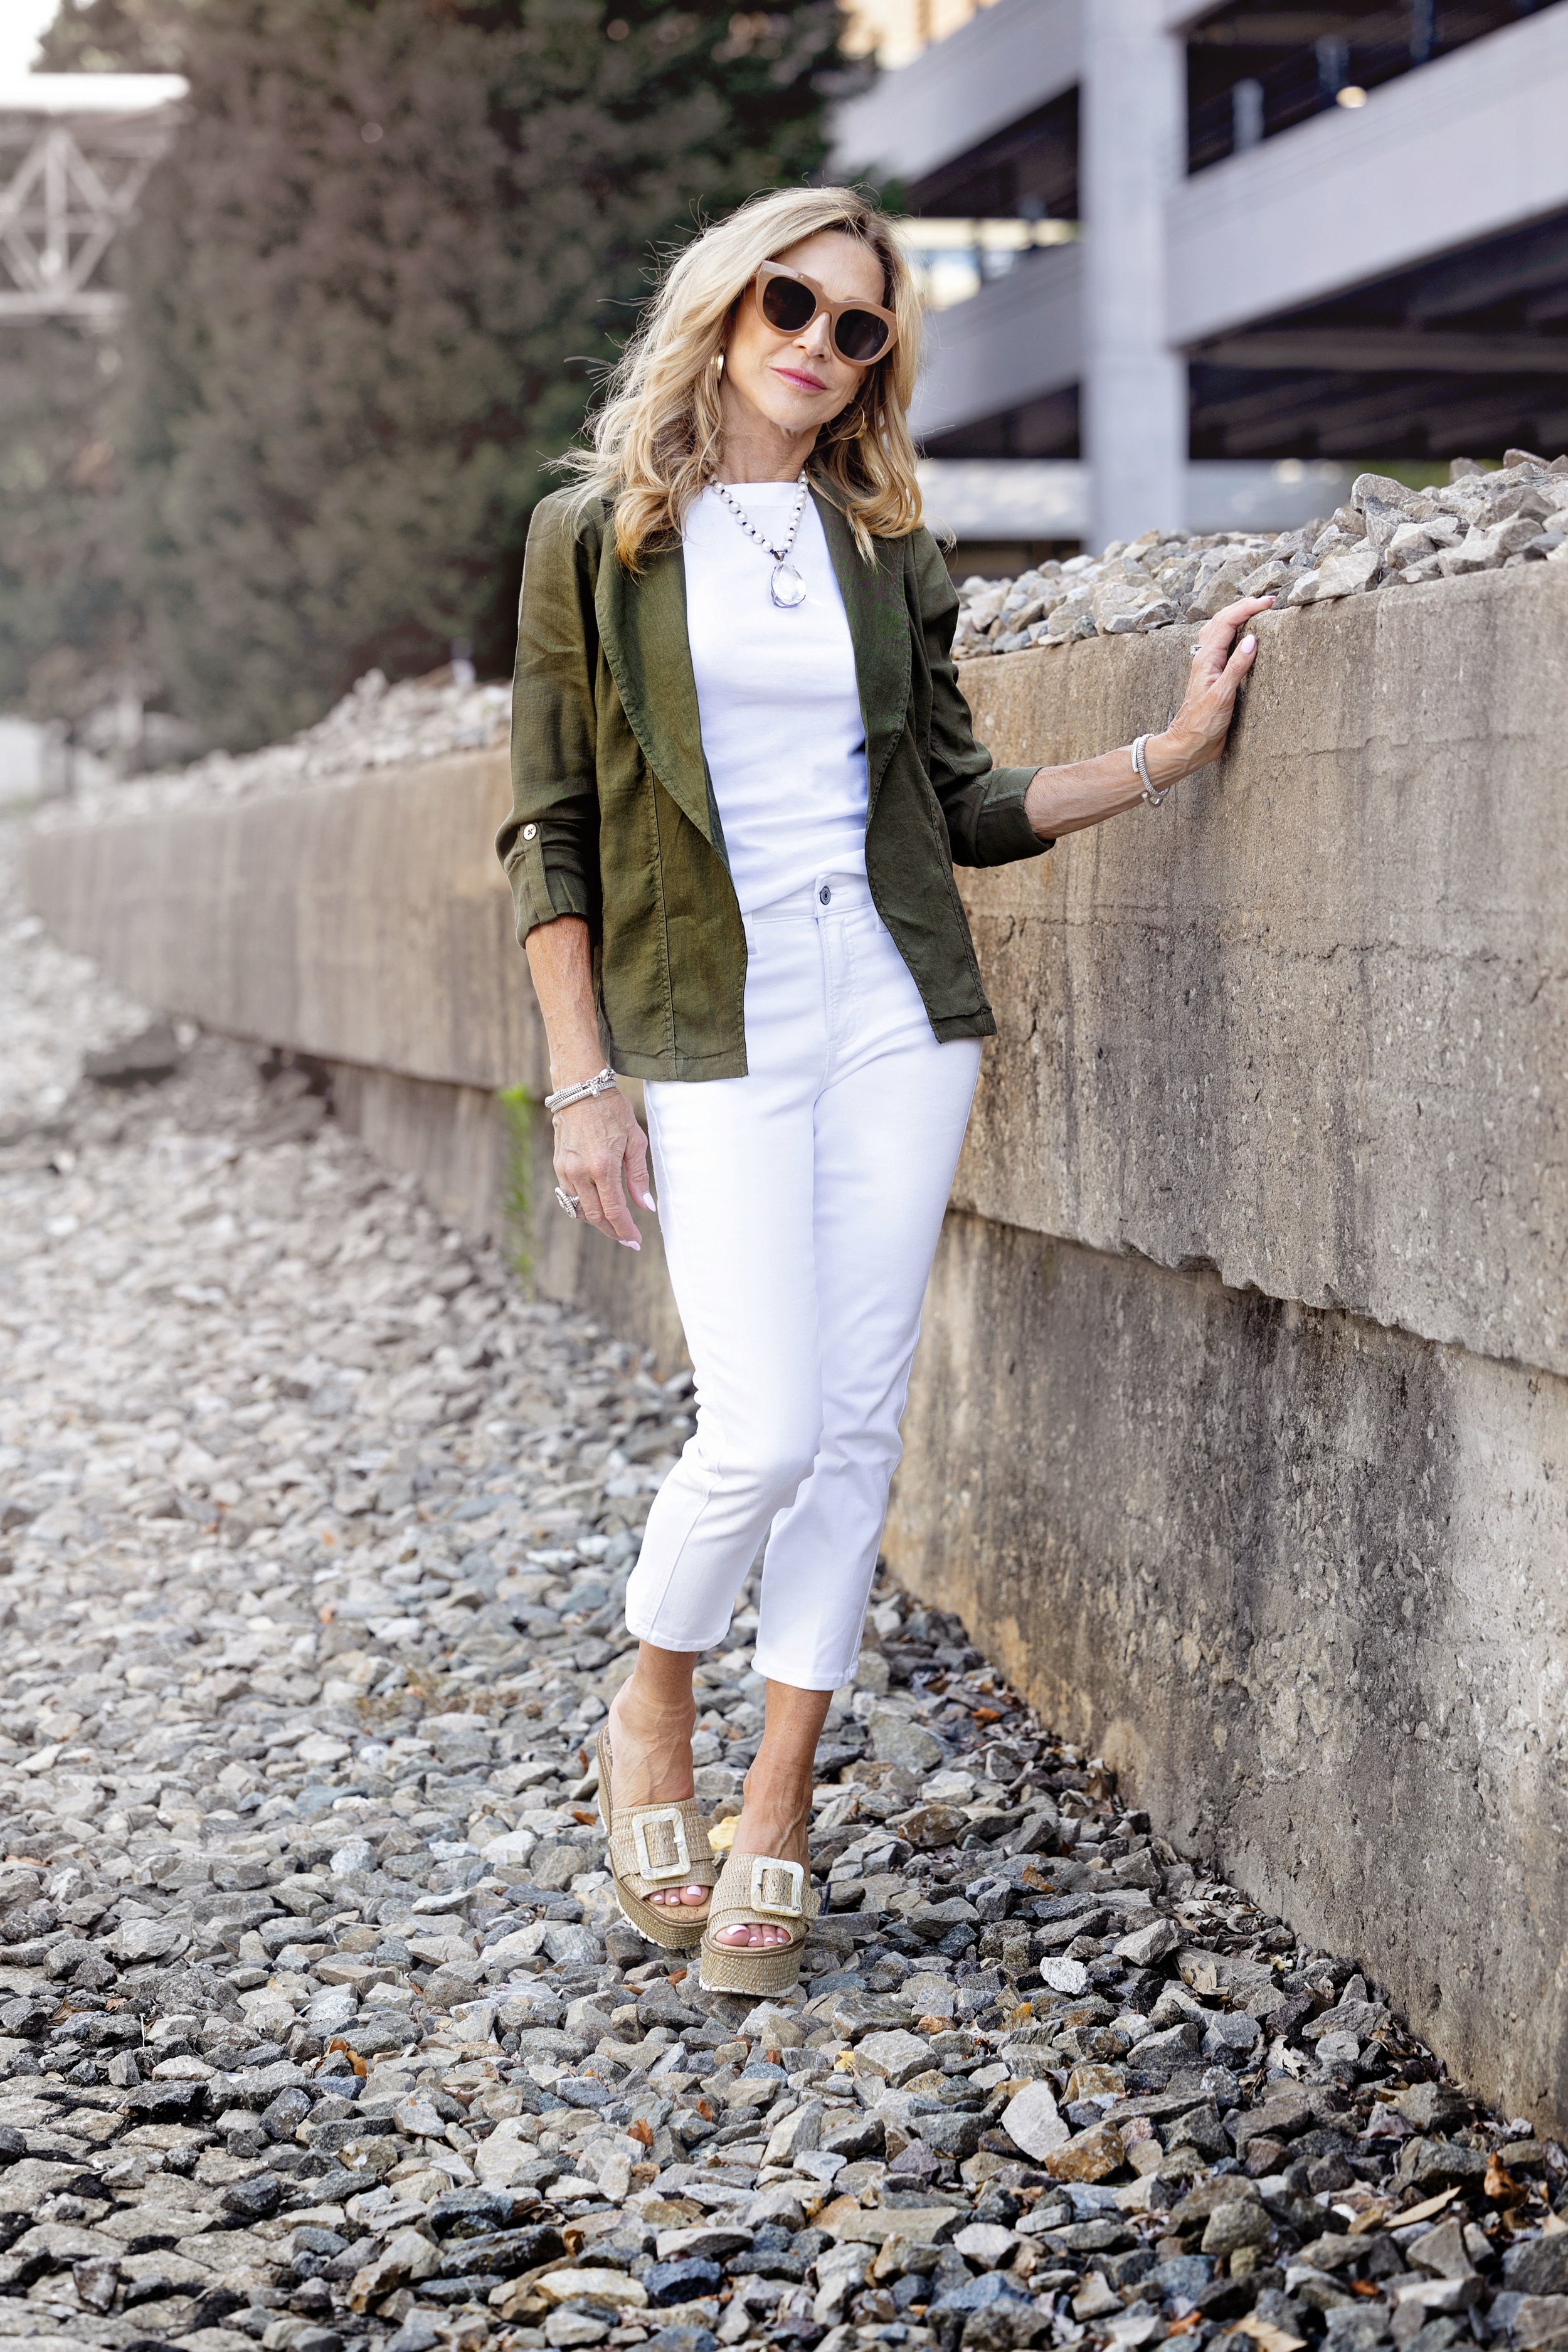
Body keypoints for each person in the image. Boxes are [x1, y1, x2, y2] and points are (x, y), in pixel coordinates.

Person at [497, 184, 1271, 1996]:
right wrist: (581, 1080)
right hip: (710, 1025)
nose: (821, 345)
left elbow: (958, 803)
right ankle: (652, 1704)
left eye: (859, 329)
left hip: (896, 1018)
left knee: (853, 1430)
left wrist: (1162, 753)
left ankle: (778, 1804)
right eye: (794, 303)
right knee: (759, 1428)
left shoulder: (881, 549)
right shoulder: (593, 538)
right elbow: (549, 825)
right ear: (725, 304)